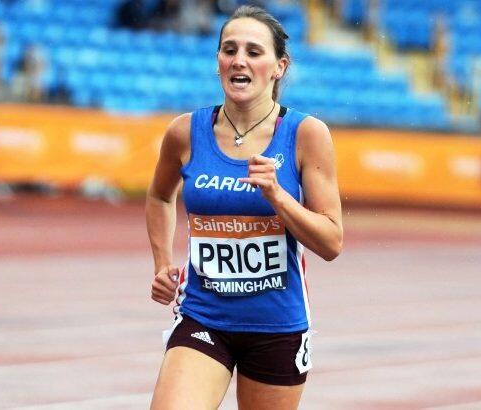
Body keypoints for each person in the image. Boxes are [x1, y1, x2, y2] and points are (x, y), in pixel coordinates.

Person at [146, 5, 343, 409]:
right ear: (218, 60)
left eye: (254, 52)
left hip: (277, 325)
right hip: (203, 316)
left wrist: (278, 196)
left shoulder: (306, 134)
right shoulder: (185, 132)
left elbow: (331, 242)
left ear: (279, 67)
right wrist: (162, 263)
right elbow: (160, 196)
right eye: (229, 49)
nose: (239, 60)